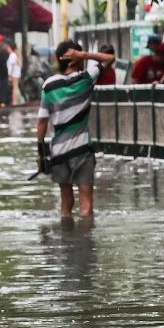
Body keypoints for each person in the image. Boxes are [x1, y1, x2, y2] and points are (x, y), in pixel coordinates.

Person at [36, 40, 116, 218]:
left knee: (66, 203)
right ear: (73, 59)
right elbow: (110, 58)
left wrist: (41, 153)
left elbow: (42, 122)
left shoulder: (49, 85)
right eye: (78, 56)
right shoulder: (86, 79)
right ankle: (84, 243)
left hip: (58, 153)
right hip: (82, 153)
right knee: (86, 204)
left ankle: (67, 240)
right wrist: (84, 55)